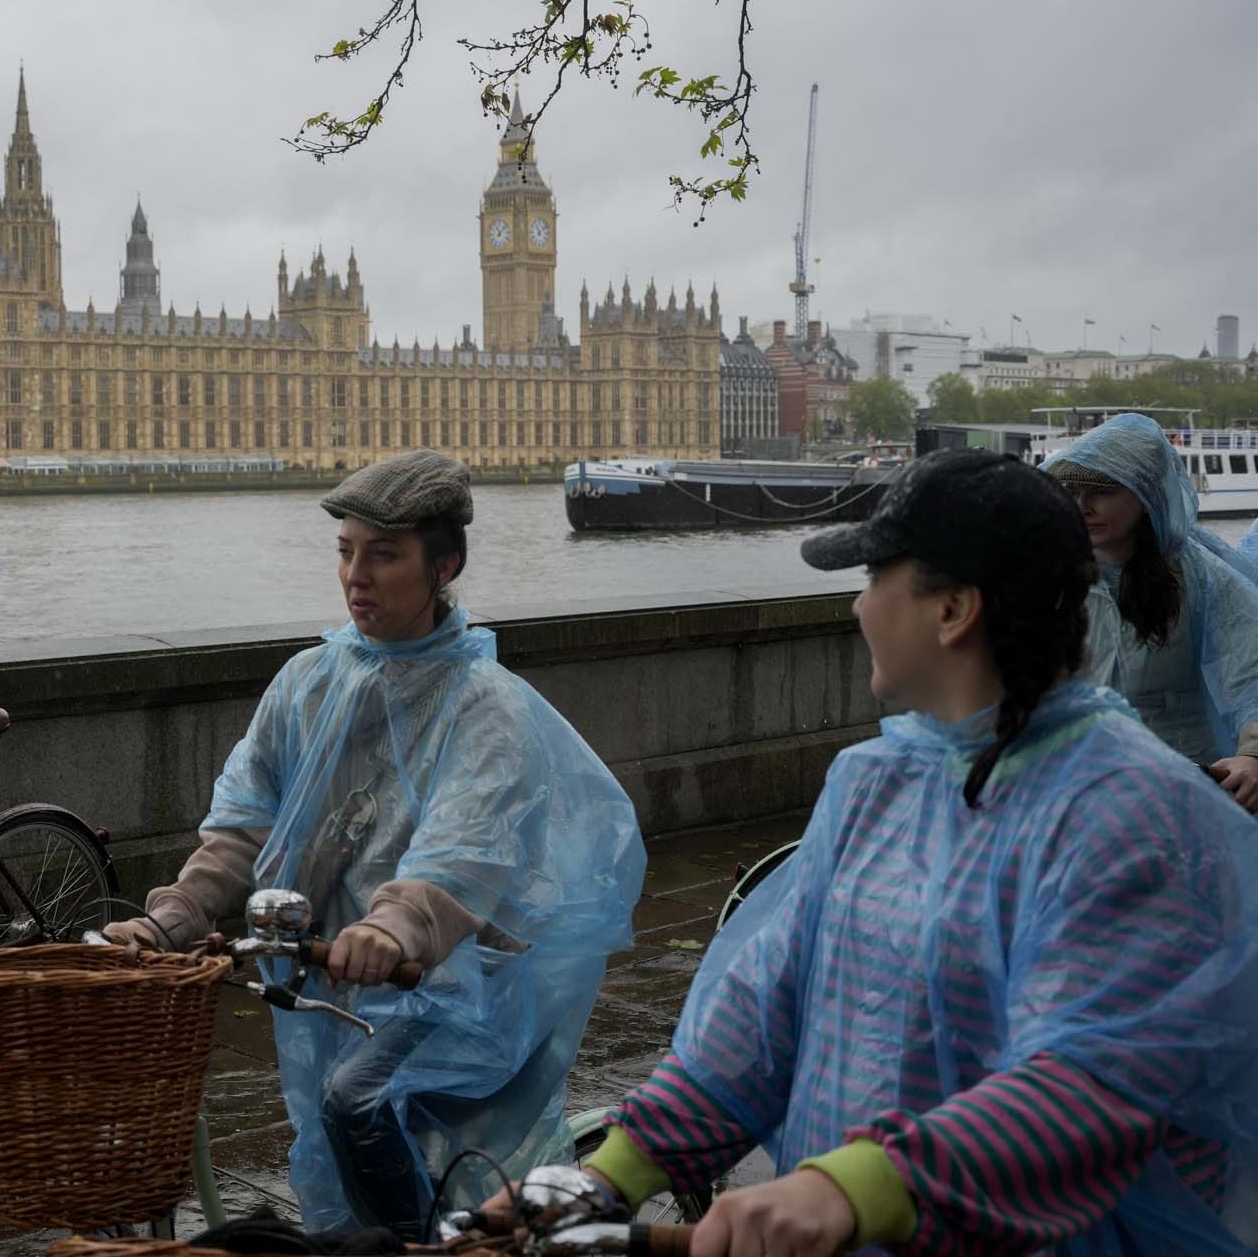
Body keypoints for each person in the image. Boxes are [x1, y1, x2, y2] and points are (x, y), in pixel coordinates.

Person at [534, 449, 1258, 1255]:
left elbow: (1091, 1080)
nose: (856, 607)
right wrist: (611, 1172)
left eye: (875, 579)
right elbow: (767, 1009)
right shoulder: (872, 778)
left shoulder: (1128, 812)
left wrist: (853, 1187)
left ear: (953, 610)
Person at [102, 449, 645, 1239]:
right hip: (340, 976)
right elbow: (248, 824)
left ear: (444, 565)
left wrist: (393, 927)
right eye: (346, 552)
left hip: (454, 979)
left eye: (383, 555)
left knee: (353, 1102)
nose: (356, 574)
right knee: (341, 1164)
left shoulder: (485, 707)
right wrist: (174, 917)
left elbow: (461, 855)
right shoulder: (307, 685)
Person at [1042, 413, 1258, 813]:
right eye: (1070, 490)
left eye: (1101, 491)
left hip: (1181, 781)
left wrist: (1252, 757)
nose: (1083, 506)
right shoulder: (1045, 575)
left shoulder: (1201, 578)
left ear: (1146, 494)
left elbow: (1250, 671)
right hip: (1075, 782)